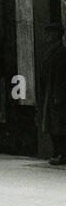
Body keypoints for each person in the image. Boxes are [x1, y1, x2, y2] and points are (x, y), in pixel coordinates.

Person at [40, 27, 66, 165]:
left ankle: (61, 153)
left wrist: (58, 95)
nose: (47, 36)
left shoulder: (60, 52)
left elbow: (61, 77)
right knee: (53, 124)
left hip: (55, 94)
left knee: (58, 125)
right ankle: (58, 152)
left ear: (56, 34)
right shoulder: (53, 51)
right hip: (51, 93)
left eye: (50, 33)